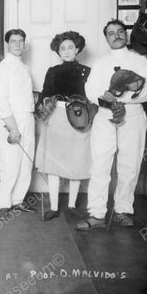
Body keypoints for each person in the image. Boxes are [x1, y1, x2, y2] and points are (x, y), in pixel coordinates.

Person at [76, 19, 147, 230]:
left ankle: (123, 210)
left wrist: (122, 100)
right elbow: (91, 91)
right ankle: (97, 214)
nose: (117, 35)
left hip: (133, 117)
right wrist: (110, 101)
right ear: (107, 38)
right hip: (104, 116)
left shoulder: (140, 61)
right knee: (100, 165)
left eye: (120, 32)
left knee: (129, 165)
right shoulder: (100, 63)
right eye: (111, 33)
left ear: (126, 36)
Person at [35, 31, 92, 221]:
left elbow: (92, 97)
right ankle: (53, 206)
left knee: (76, 161)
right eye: (62, 48)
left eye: (70, 47)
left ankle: (72, 205)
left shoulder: (87, 71)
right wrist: (41, 106)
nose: (66, 51)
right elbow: (44, 94)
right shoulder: (52, 71)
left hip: (79, 118)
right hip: (56, 118)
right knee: (54, 164)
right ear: (58, 51)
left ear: (77, 49)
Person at [0, 29, 37, 220]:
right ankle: (3, 204)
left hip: (28, 118)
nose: (18, 45)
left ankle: (18, 200)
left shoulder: (24, 67)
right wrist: (13, 128)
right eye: (14, 41)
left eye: (21, 41)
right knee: (9, 164)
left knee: (26, 163)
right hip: (10, 120)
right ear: (7, 44)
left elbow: (24, 95)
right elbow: (2, 101)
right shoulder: (1, 69)